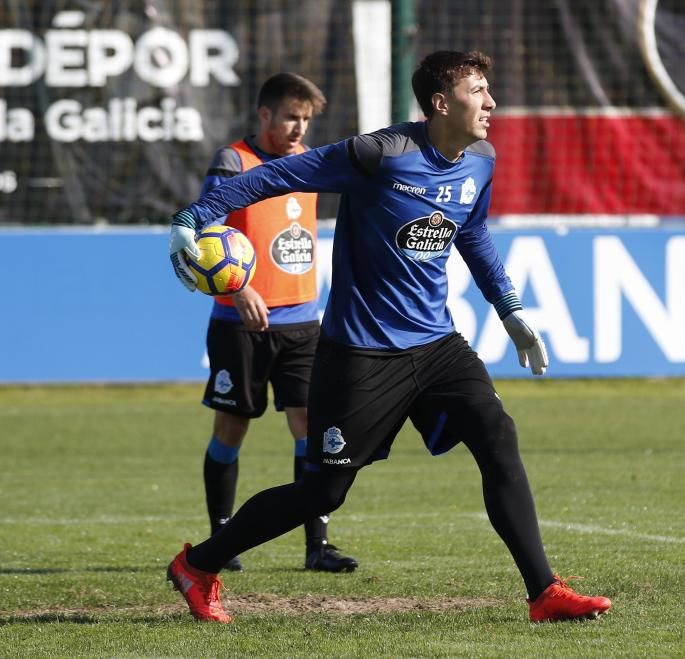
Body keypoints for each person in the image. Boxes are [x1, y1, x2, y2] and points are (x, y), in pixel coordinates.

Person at [165, 50, 612, 624]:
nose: (491, 102)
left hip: (437, 345)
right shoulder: (378, 155)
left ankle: (544, 592)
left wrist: (509, 308)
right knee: (322, 494)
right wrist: (194, 217)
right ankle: (198, 565)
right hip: (361, 352)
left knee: (498, 436)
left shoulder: (480, 158)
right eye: (479, 90)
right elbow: (278, 175)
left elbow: (472, 235)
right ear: (441, 103)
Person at [195, 73, 358, 574]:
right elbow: (205, 226)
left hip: (303, 322)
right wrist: (235, 287)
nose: (298, 127)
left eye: (306, 119)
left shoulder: (309, 161)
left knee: (310, 428)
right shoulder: (233, 162)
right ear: (264, 114)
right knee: (232, 428)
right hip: (240, 322)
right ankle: (223, 537)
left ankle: (317, 545)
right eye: (291, 116)